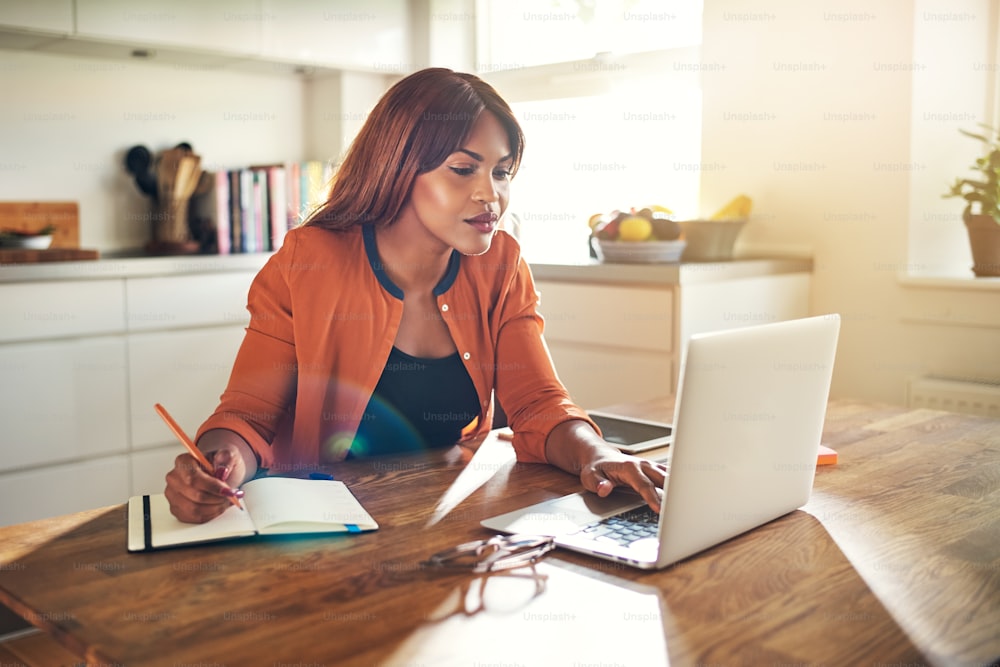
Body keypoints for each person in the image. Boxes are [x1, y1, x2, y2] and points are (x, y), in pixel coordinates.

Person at [165, 67, 668, 524]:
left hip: (440, 518)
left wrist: (598, 455)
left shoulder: (501, 265)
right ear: (400, 167)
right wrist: (218, 461)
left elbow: (538, 404)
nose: (490, 194)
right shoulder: (308, 261)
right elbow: (247, 416)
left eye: (501, 171)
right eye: (463, 168)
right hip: (314, 525)